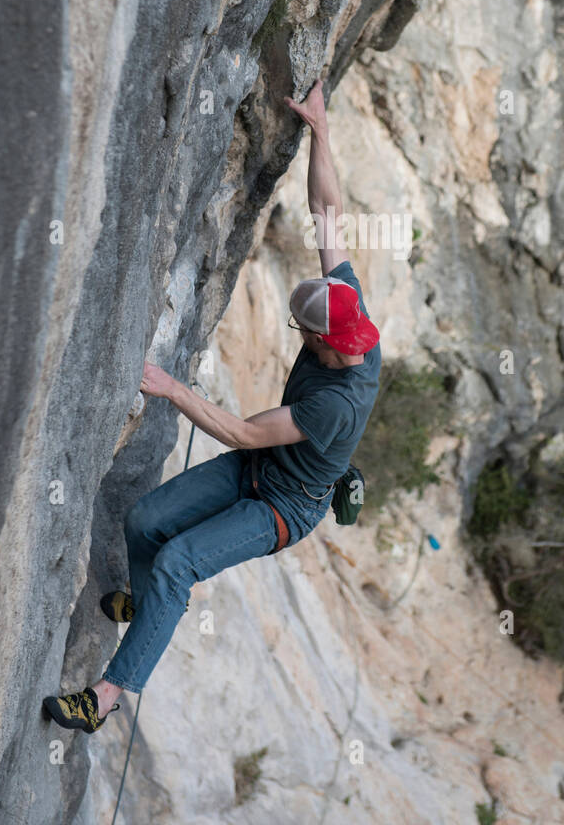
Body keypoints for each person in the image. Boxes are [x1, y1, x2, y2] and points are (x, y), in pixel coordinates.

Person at [43, 79, 381, 734]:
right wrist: (320, 129)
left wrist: (168, 387)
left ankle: (105, 698)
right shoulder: (348, 310)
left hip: (283, 506)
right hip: (267, 469)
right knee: (145, 522)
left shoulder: (337, 403)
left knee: (176, 562)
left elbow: (242, 431)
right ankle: (144, 608)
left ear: (318, 340)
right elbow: (328, 214)